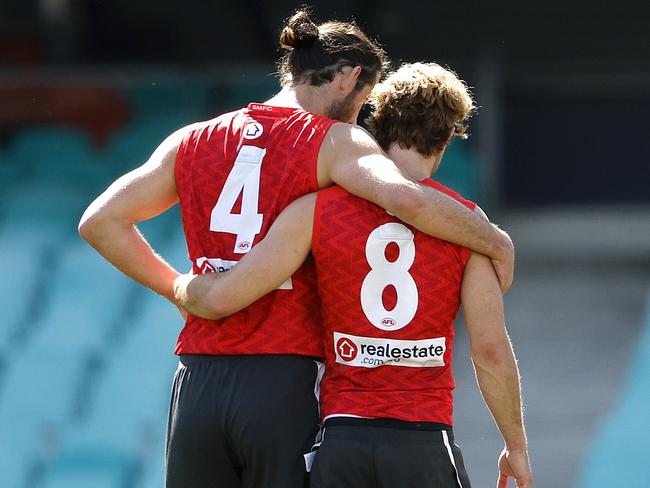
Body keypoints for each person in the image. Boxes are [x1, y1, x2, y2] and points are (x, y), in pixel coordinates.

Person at [79, 8, 515, 488]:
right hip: (282, 377)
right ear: (349, 78)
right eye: (362, 101)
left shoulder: (193, 138)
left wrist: (177, 288)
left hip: (197, 379)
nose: (359, 116)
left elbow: (100, 221)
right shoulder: (333, 141)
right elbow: (406, 198)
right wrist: (494, 240)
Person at [174, 62, 531, 488]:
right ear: (449, 136)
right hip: (423, 437)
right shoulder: (470, 228)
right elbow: (489, 351)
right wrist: (516, 446)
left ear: (375, 123)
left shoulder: (315, 210)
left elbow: (235, 291)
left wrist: (184, 288)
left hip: (341, 441)